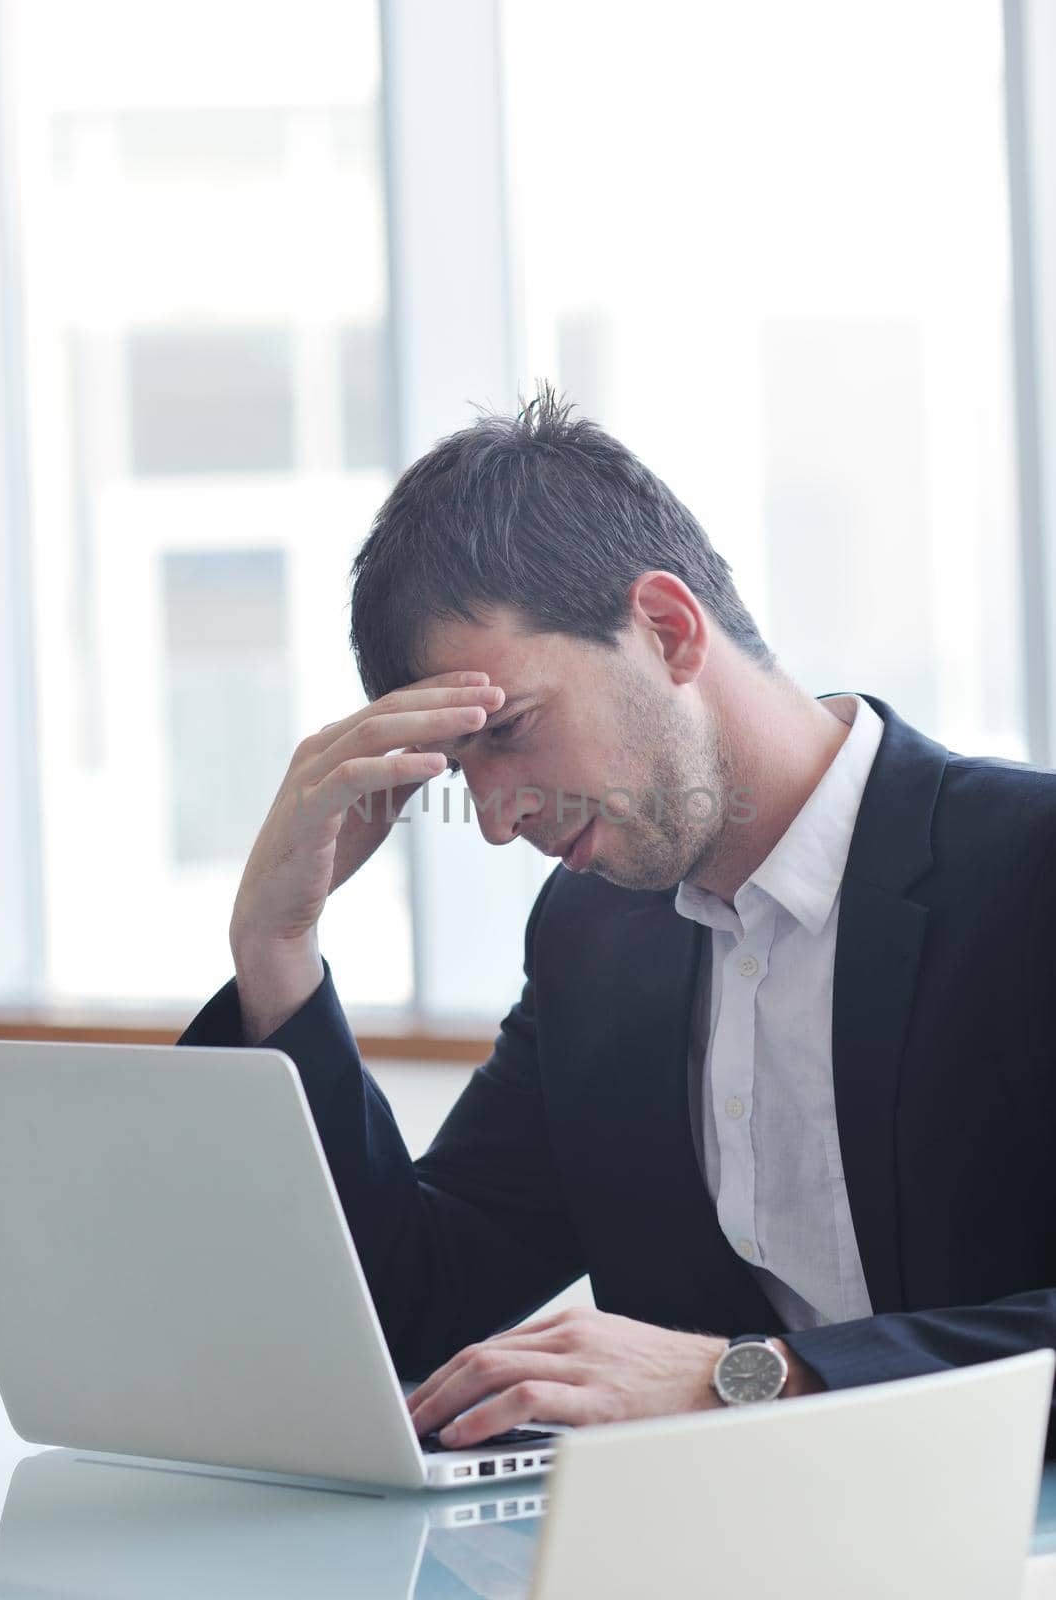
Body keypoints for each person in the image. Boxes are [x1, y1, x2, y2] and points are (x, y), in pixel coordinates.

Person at [177, 385, 1056, 1453]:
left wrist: (747, 1379)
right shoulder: (593, 938)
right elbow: (409, 1306)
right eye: (460, 768)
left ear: (666, 628)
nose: (495, 819)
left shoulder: (1023, 870)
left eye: (507, 731)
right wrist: (275, 948)